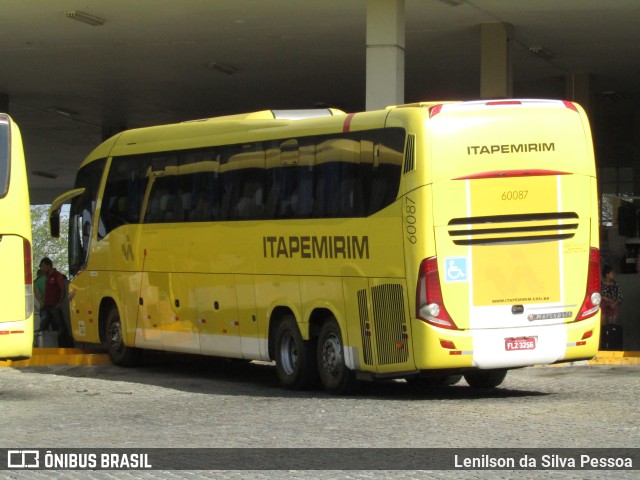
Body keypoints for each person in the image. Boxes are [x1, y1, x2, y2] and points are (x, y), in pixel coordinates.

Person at [39, 257, 73, 347]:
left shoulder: (57, 276)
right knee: (44, 326)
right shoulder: (46, 277)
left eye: (43, 266)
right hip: (47, 306)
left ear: (49, 265)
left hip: (55, 306)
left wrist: (60, 303)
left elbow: (62, 290)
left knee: (60, 327)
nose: (42, 269)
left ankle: (64, 345)